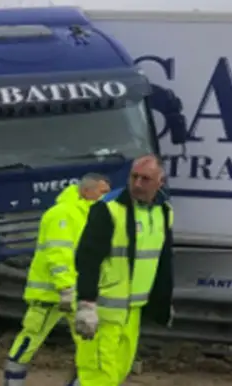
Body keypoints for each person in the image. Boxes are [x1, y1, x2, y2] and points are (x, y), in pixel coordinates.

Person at [69, 155, 175, 386]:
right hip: (103, 312)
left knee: (115, 375)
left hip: (131, 314)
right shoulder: (109, 209)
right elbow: (87, 258)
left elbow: (163, 260)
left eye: (145, 179)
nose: (137, 184)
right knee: (97, 378)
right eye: (134, 177)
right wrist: (86, 304)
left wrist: (164, 301)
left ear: (160, 181)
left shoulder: (164, 212)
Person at [4, 173, 111, 386]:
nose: (106, 197)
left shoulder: (89, 214)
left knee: (89, 345)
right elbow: (59, 255)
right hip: (51, 294)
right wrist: (66, 287)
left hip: (74, 293)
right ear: (86, 191)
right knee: (30, 340)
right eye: (103, 192)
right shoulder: (62, 214)